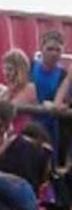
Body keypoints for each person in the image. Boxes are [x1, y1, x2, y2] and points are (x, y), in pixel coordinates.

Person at [30, 30, 67, 163]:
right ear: (41, 48)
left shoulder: (63, 75)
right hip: (28, 124)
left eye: (58, 50)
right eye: (50, 49)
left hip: (51, 129)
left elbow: (66, 101)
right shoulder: (31, 67)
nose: (54, 53)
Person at [0, 49, 38, 133]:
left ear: (20, 70)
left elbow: (7, 110)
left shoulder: (29, 88)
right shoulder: (7, 90)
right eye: (4, 69)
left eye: (9, 69)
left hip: (23, 133)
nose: (6, 73)